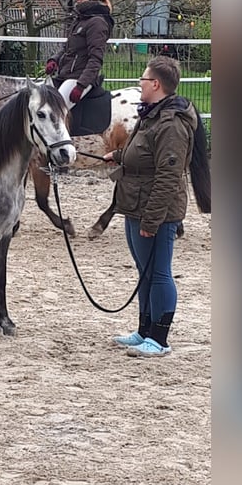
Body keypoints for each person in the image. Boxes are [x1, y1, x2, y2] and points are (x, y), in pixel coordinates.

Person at [102, 56, 200, 357]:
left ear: (156, 84)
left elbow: (169, 176)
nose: (139, 83)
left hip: (154, 210)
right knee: (144, 270)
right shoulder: (152, 115)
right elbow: (142, 151)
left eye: (143, 79)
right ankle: (144, 330)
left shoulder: (171, 124)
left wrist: (152, 220)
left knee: (159, 273)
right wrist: (119, 157)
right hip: (135, 203)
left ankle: (160, 338)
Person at [45, 0, 113, 109]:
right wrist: (54, 60)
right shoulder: (80, 19)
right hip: (66, 74)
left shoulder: (97, 23)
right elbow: (67, 47)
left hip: (79, 78)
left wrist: (81, 85)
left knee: (54, 110)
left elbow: (96, 59)